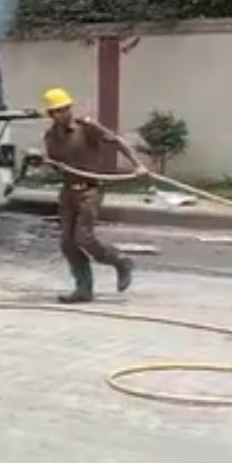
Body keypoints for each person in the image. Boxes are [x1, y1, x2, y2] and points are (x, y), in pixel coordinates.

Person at [31, 87, 146, 303]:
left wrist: (137, 165)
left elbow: (116, 141)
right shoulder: (50, 137)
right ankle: (83, 289)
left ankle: (120, 262)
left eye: (66, 108)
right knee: (67, 243)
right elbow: (58, 167)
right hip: (68, 192)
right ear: (51, 114)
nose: (64, 113)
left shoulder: (87, 128)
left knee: (84, 237)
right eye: (58, 110)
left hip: (90, 190)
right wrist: (43, 163)